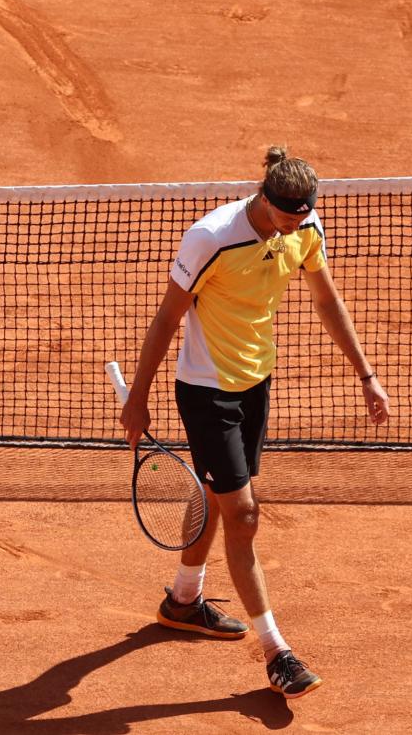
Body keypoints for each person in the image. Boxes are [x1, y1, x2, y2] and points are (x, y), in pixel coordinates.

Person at [118, 146, 391, 699]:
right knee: (241, 515)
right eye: (286, 214)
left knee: (219, 495)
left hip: (255, 384)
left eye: (303, 213)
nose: (294, 222)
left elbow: (326, 299)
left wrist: (365, 375)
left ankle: (183, 600)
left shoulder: (306, 227)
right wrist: (138, 397)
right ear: (263, 196)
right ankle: (277, 654)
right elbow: (168, 316)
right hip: (206, 390)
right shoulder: (211, 238)